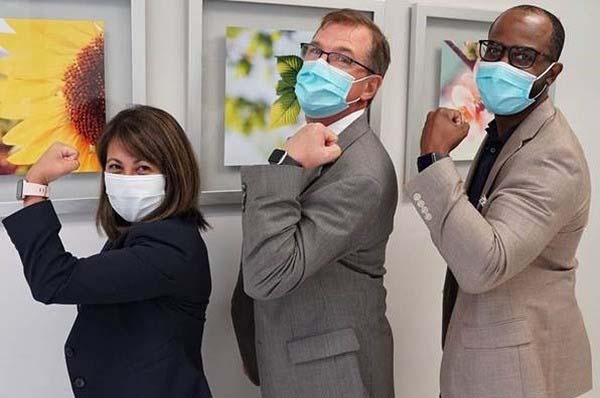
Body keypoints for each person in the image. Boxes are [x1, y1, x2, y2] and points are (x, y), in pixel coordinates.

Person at [407, 6, 592, 398]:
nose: (501, 64)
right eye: (493, 50)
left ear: (551, 73)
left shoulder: (553, 156)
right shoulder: (503, 132)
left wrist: (433, 160)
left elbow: (482, 264)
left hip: (518, 373)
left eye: (522, 56)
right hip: (482, 357)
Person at [231, 9, 398, 398]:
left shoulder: (364, 172)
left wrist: (288, 164)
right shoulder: (311, 141)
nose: (319, 64)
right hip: (288, 361)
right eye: (316, 51)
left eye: (341, 58)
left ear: (369, 87)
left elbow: (269, 273)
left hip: (333, 378)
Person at [2, 106, 213, 398]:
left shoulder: (170, 245)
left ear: (173, 174)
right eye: (115, 167)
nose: (127, 178)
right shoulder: (139, 235)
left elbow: (54, 280)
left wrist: (35, 184)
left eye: (142, 168)